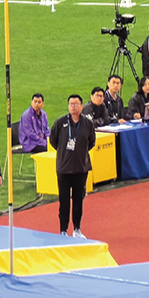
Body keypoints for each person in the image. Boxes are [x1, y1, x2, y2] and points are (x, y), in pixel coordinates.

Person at [49, 95, 96, 237]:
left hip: (81, 168)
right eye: (71, 104)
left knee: (78, 200)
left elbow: (91, 142)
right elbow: (53, 140)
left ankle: (77, 228)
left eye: (76, 104)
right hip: (64, 168)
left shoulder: (87, 124)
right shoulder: (61, 122)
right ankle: (63, 230)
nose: (73, 106)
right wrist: (64, 152)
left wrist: (79, 152)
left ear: (81, 106)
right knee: (64, 201)